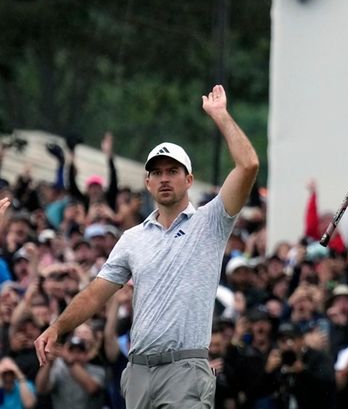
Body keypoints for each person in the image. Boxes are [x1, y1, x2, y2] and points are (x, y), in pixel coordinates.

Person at [33, 85, 260, 409]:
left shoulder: (211, 221)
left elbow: (248, 165)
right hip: (138, 371)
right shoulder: (132, 237)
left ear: (189, 179)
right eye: (157, 172)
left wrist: (221, 116)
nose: (164, 178)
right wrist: (57, 327)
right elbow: (95, 293)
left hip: (185, 369)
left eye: (172, 171)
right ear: (148, 183)